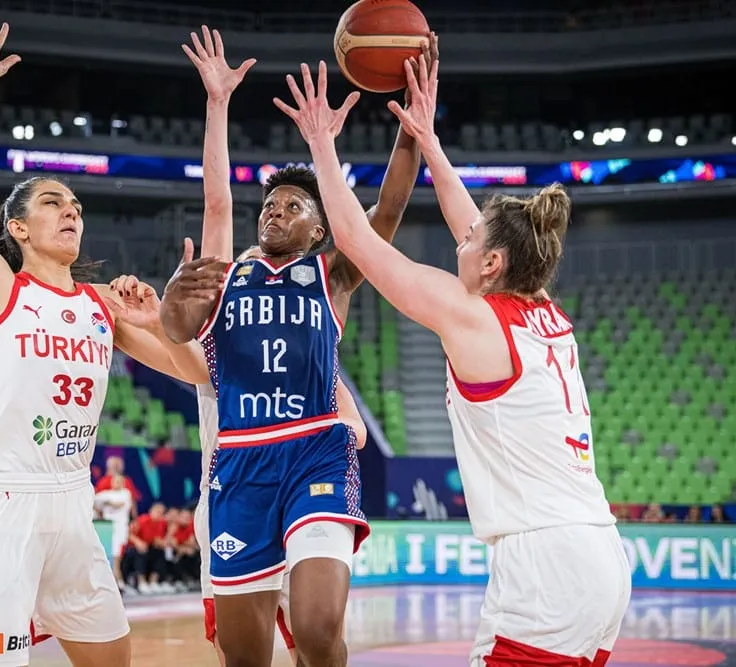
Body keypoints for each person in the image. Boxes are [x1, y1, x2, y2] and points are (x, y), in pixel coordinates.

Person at [275, 54, 630, 667]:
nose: (459, 238)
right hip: (598, 554)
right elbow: (472, 220)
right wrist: (428, 140)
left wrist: (321, 144)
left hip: (544, 567)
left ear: (491, 263)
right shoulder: (539, 305)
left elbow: (357, 240)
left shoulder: (474, 318)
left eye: (469, 241)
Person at [0, 15, 208, 667]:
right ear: (16, 227)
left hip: (72, 505)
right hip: (0, 506)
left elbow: (197, 375)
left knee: (113, 659)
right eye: (51, 202)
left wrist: (162, 319)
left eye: (75, 205)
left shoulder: (102, 304)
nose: (71, 210)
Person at [159, 26, 433, 667]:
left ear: (320, 229)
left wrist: (412, 129)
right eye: (271, 205)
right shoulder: (226, 274)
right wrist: (218, 103)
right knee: (244, 655)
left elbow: (390, 207)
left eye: (292, 207)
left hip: (315, 451)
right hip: (239, 463)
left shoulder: (332, 274)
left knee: (315, 630)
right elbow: (214, 208)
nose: (274, 212)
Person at [189, 244, 369, 666]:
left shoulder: (308, 367)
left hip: (298, 483)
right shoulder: (213, 349)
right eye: (251, 272)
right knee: (238, 652)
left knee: (314, 638)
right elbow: (168, 338)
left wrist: (318, 438)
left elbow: (357, 431)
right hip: (232, 494)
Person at [93, 473, 133, 588]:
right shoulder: (106, 494)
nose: (116, 483)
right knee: (107, 556)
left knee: (116, 556)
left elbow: (119, 504)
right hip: (107, 529)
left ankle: (118, 581)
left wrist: (106, 503)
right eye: (115, 481)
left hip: (120, 529)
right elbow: (93, 500)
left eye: (119, 481)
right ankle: (115, 582)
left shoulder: (125, 493)